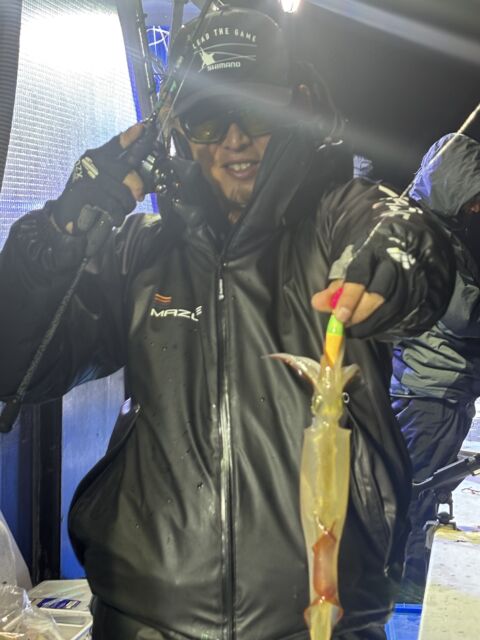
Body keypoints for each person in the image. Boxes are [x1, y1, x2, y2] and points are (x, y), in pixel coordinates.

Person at [0, 6, 455, 640]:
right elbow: (16, 367)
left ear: (295, 105)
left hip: (324, 622)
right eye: (208, 118)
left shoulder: (336, 220)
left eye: (256, 111)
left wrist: (400, 252)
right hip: (144, 621)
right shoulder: (137, 252)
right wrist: (57, 235)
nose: (234, 139)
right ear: (178, 132)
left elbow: (399, 234)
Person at [391, 132, 480, 602]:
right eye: (473, 195)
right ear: (452, 186)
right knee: (416, 492)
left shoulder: (430, 231)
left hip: (433, 387)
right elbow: (463, 314)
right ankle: (404, 595)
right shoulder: (428, 239)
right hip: (430, 391)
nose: (476, 208)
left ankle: (406, 581)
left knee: (420, 490)